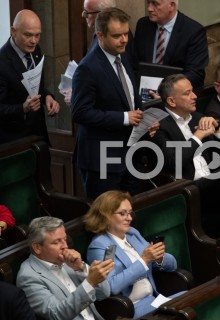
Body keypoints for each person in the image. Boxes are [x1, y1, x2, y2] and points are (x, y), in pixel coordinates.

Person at [71, 8, 156, 199]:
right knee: (106, 221)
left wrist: (145, 120)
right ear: (100, 35)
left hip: (130, 155)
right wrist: (125, 118)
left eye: (126, 34)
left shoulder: (123, 55)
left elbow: (130, 98)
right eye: (117, 36)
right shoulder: (88, 68)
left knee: (131, 216)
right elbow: (80, 113)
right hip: (102, 160)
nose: (124, 40)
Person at [150, 73, 220, 239]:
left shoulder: (199, 118)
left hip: (212, 184)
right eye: (187, 93)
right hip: (190, 188)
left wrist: (218, 129)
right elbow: (173, 161)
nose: (195, 96)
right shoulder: (159, 127)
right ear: (171, 101)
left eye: (192, 91)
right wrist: (197, 137)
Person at [85, 190, 178, 319]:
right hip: (130, 308)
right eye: (123, 214)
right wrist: (144, 260)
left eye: (129, 213)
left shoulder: (132, 234)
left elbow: (172, 265)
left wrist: (159, 257)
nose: (129, 218)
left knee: (189, 298)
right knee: (182, 306)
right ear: (106, 215)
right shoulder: (102, 245)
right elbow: (111, 287)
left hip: (154, 299)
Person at [17, 216, 113, 320]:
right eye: (56, 242)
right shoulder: (28, 277)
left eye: (65, 239)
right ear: (37, 248)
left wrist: (81, 267)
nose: (65, 246)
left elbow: (104, 293)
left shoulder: (68, 259)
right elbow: (56, 315)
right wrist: (89, 283)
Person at [0, 9, 60, 144]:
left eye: (37, 35)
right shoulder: (2, 62)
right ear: (13, 31)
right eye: (28, 35)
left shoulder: (35, 50)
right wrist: (22, 108)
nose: (34, 41)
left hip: (39, 137)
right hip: (14, 144)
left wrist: (47, 97)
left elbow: (34, 85)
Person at [135, 0, 208, 88]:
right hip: (145, 91)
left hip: (175, 94)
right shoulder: (143, 25)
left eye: (155, 4)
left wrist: (167, 92)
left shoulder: (193, 31)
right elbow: (135, 62)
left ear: (171, 6)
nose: (149, 9)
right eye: (148, 3)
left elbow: (195, 74)